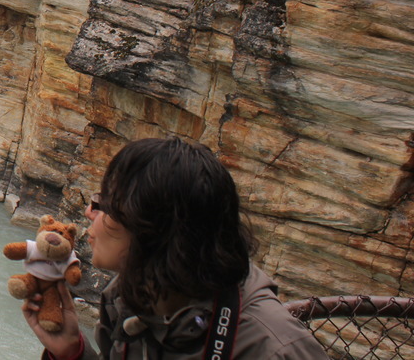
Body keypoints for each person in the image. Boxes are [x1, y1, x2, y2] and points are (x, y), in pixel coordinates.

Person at [21, 137, 328, 360]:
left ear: (153, 228)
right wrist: (72, 353)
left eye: (106, 204)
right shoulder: (129, 300)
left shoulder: (274, 348)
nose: (89, 212)